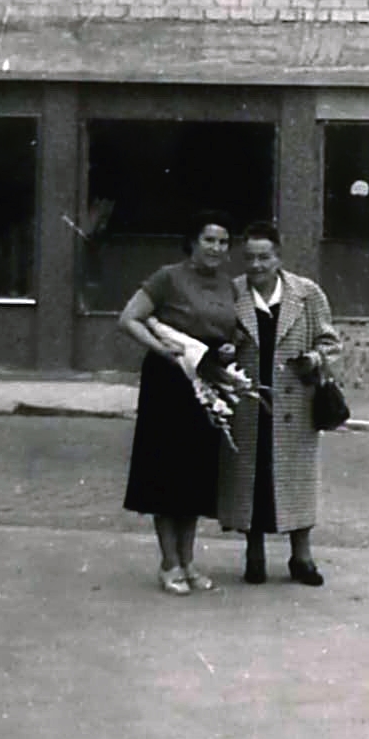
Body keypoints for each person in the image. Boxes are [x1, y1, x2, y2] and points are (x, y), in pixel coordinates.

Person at [118, 212, 238, 594]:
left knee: (196, 476)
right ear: (193, 242)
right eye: (209, 240)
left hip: (206, 380)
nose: (217, 248)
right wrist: (162, 348)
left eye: (223, 241)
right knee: (166, 474)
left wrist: (230, 349)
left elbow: (228, 330)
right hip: (169, 383)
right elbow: (129, 319)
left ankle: (188, 562)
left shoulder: (228, 285)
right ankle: (169, 563)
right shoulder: (168, 277)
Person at [218, 220, 342, 586]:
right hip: (248, 402)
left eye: (264, 257)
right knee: (250, 480)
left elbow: (331, 342)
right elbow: (215, 336)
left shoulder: (307, 294)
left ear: (278, 257)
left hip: (296, 406)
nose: (256, 266)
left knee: (296, 481)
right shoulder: (232, 293)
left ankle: (301, 557)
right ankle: (253, 555)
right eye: (250, 258)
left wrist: (315, 358)